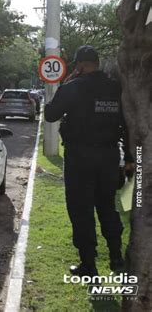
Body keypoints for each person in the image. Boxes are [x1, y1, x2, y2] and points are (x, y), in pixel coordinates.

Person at [44, 45, 134, 277]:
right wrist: (130, 158)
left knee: (81, 210)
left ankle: (89, 265)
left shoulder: (73, 87)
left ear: (80, 65)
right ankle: (116, 257)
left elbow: (51, 114)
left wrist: (66, 84)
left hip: (80, 159)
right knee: (107, 205)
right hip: (109, 157)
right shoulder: (116, 88)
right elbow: (127, 124)